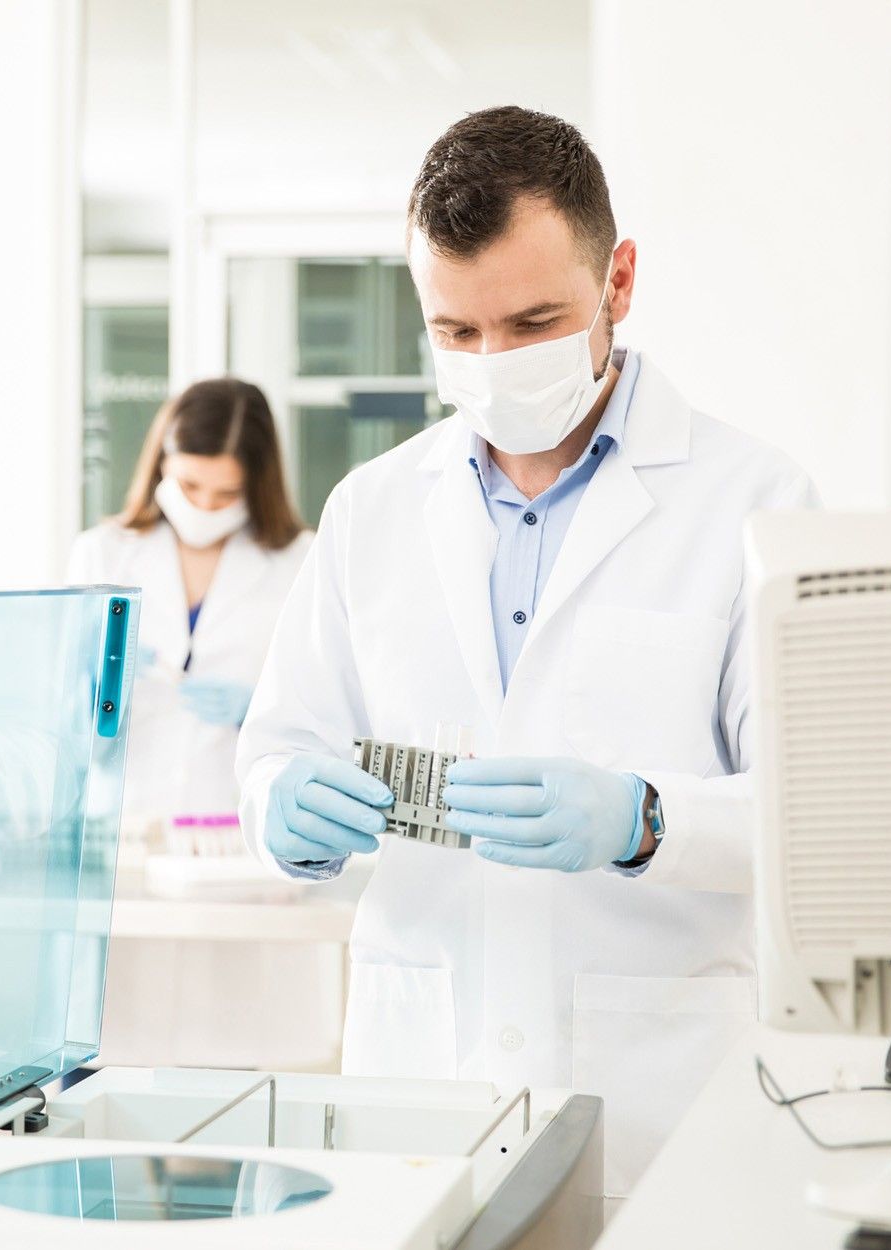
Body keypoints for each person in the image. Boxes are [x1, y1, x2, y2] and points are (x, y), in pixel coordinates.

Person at [235, 106, 819, 1200]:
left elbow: (816, 814)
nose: (494, 362)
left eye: (533, 320)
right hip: (420, 1080)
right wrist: (282, 806)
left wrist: (649, 819)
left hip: (655, 1091)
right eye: (455, 332)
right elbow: (283, 740)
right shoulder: (372, 508)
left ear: (620, 283)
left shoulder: (755, 501)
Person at [70, 377, 312, 824]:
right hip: (127, 822)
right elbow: (64, 722)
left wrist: (256, 709)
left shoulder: (301, 562)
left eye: (227, 494)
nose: (204, 506)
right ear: (162, 464)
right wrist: (88, 687)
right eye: (189, 485)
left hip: (238, 826)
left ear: (257, 485)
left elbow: (325, 712)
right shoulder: (102, 552)